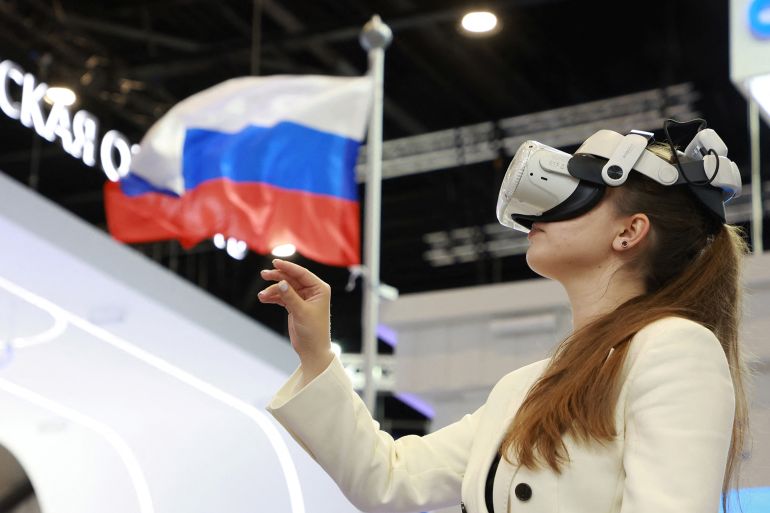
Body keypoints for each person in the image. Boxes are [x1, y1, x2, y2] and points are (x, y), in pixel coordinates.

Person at [258, 133, 751, 513]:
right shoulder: (524, 387)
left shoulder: (674, 348)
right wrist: (316, 355)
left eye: (584, 190)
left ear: (629, 231)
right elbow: (390, 478)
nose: (545, 208)